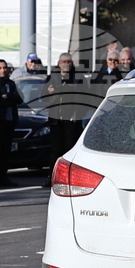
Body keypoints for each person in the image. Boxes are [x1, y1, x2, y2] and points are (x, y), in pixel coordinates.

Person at [44, 53, 85, 186]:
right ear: (59, 63)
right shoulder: (52, 78)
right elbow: (43, 97)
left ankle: (69, 178)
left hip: (71, 119)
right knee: (55, 150)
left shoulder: (78, 78)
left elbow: (84, 98)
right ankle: (51, 177)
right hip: (56, 119)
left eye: (69, 62)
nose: (66, 64)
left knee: (70, 148)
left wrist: (77, 114)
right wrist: (48, 92)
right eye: (64, 62)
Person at [0, 58, 23, 188]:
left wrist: (8, 96)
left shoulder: (11, 84)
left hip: (10, 120)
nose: (3, 70)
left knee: (6, 151)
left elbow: (19, 98)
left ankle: (3, 177)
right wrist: (7, 98)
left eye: (5, 68)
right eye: (0, 68)